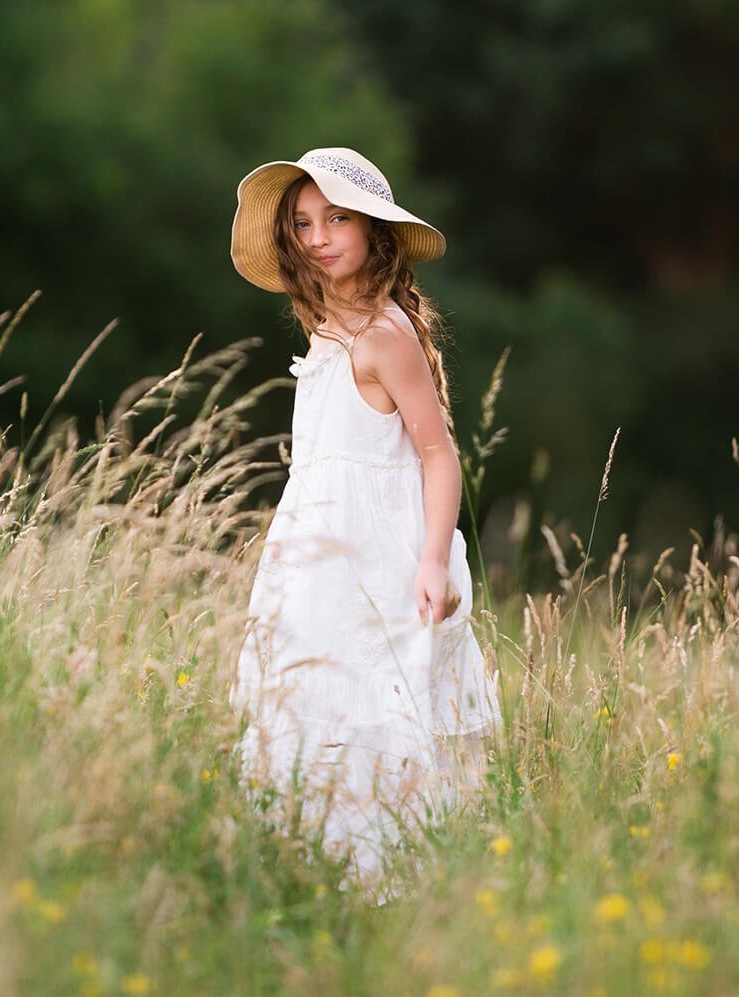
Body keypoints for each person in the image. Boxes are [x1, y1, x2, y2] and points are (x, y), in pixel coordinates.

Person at [228, 148, 502, 887]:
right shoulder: (326, 334)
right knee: (311, 707)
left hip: (380, 561)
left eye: (336, 218)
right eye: (303, 223)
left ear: (376, 233)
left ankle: (388, 880)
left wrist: (433, 561)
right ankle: (316, 873)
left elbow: (438, 455)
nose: (318, 236)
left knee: (377, 711)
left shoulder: (385, 337)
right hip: (318, 561)